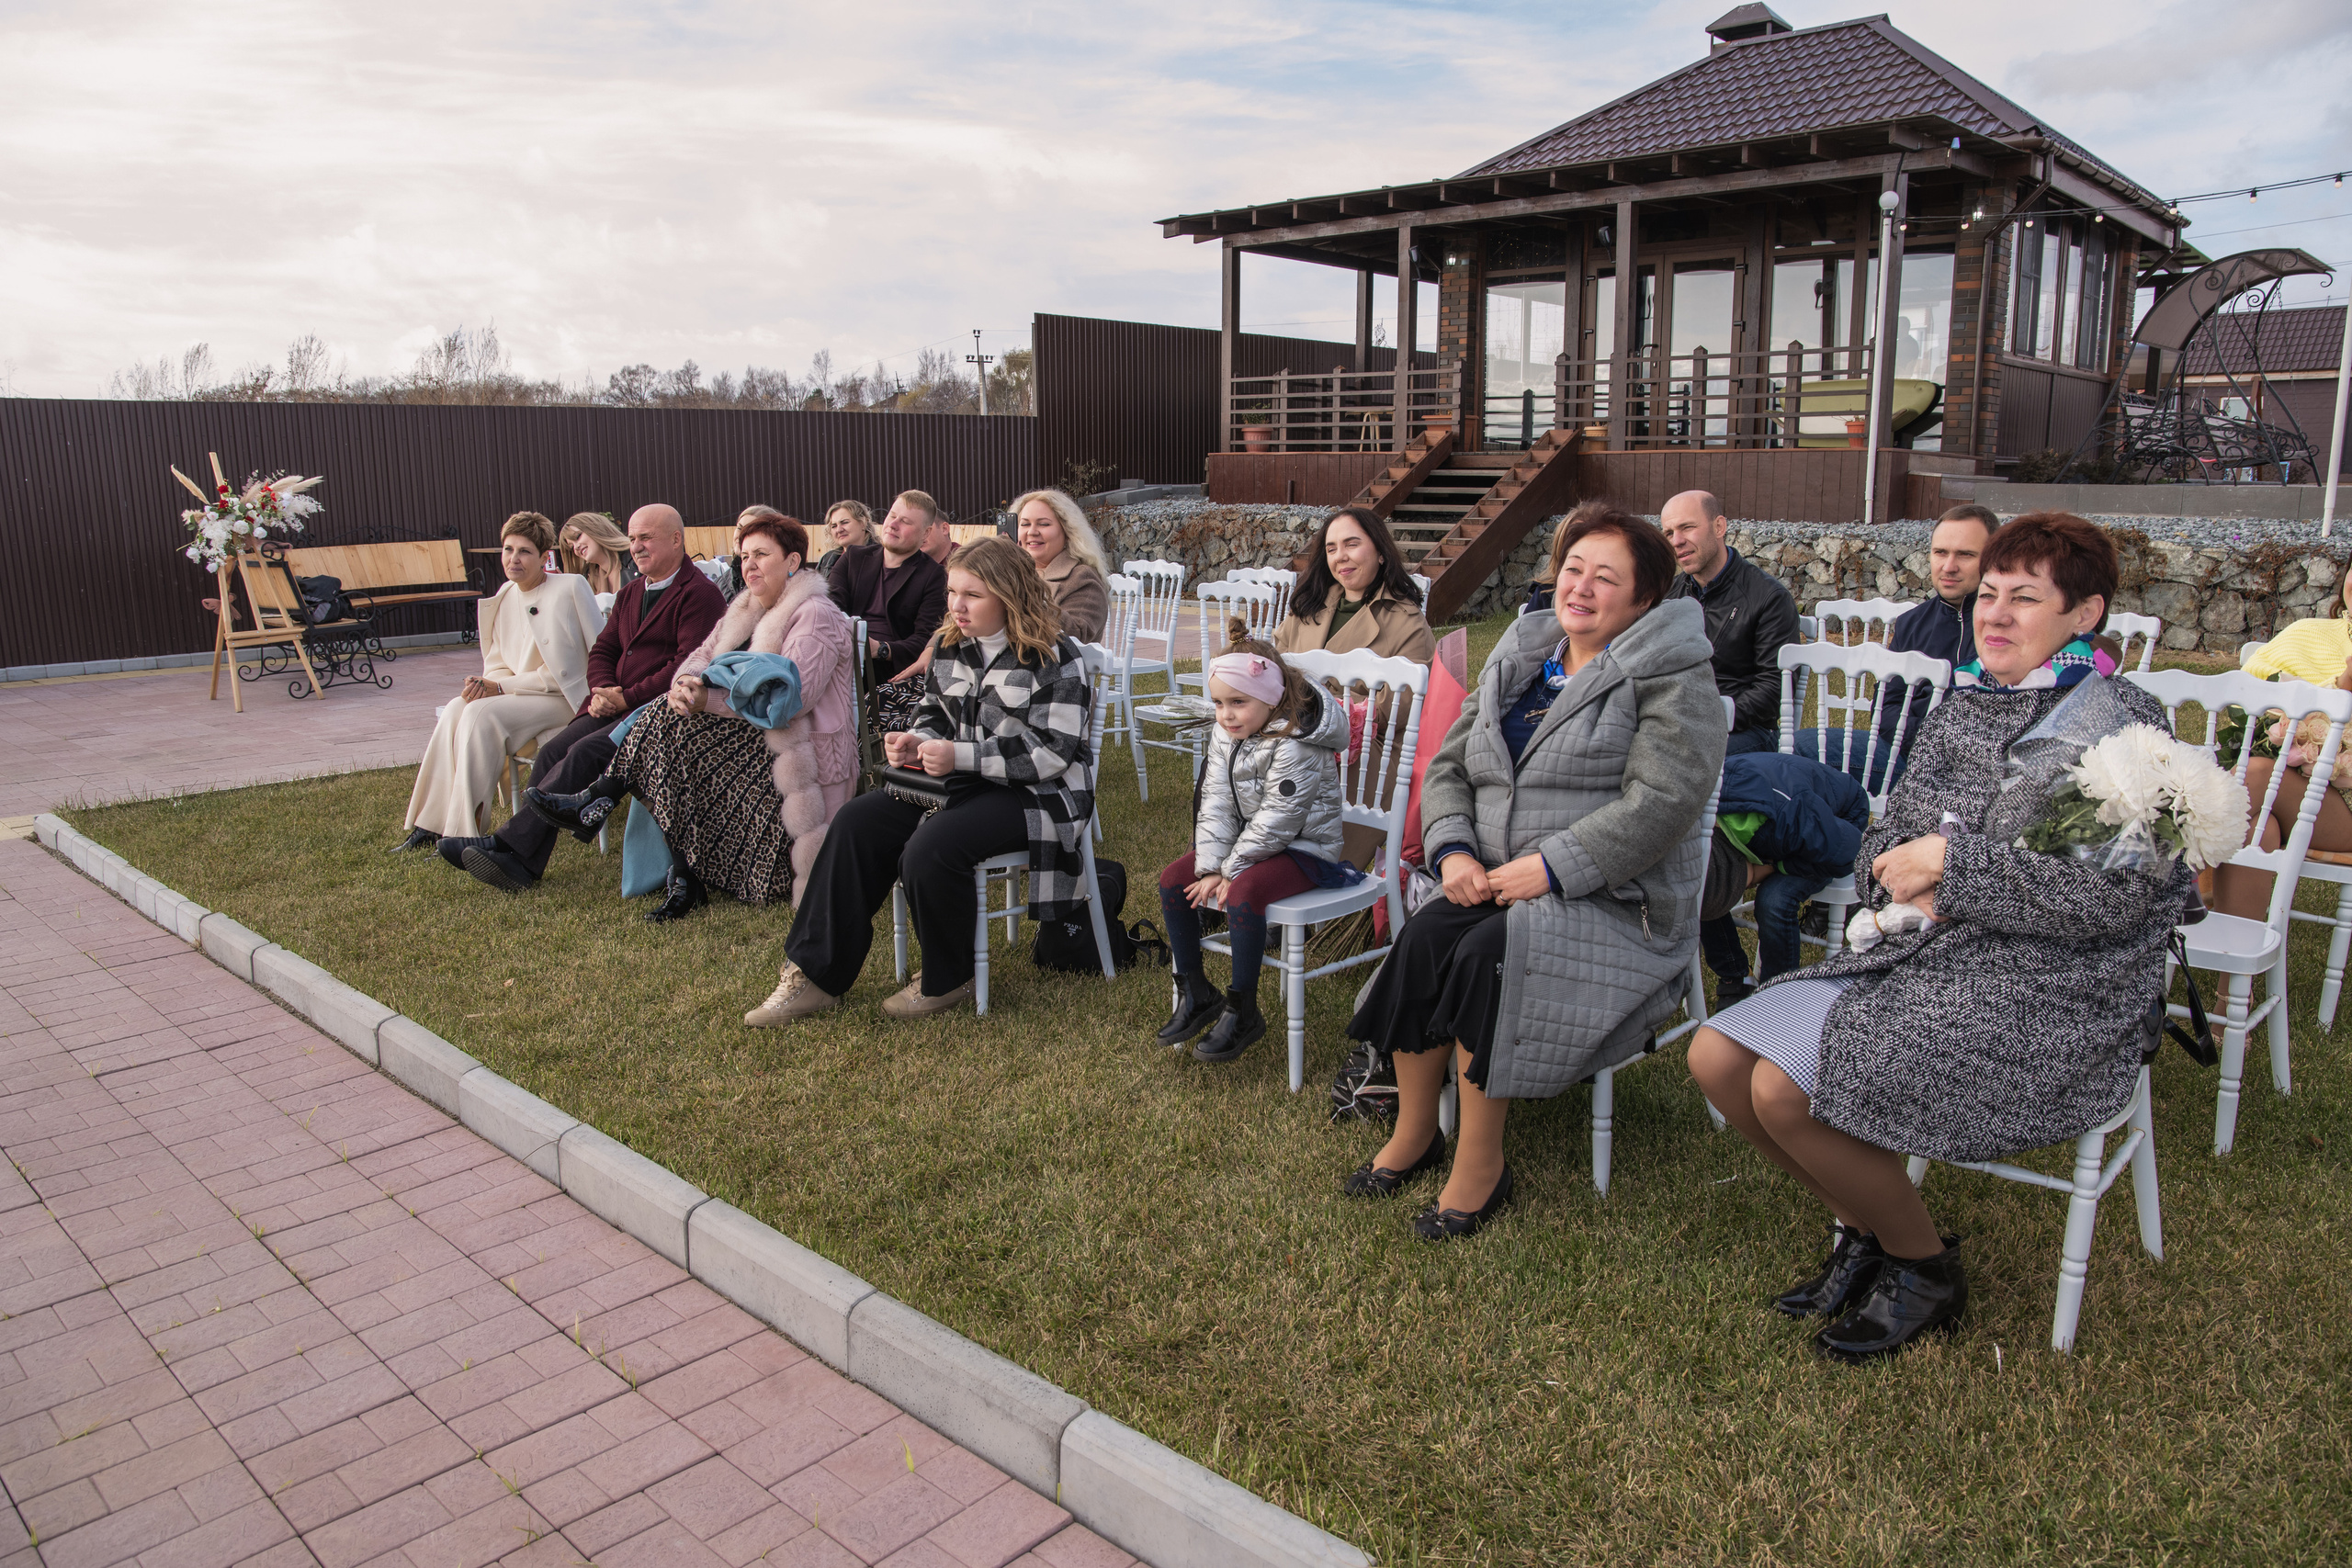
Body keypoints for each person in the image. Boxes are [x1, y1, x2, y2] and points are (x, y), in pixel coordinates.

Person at [1687, 512, 2196, 1363]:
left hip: (2053, 984)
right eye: (1989, 594)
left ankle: (1922, 1266)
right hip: (1923, 951)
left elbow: (2113, 900)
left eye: (2024, 597)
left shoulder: (2126, 726)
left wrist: (1952, 866)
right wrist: (1910, 867)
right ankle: (1866, 1229)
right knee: (1715, 1056)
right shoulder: (1967, 702)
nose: (1994, 613)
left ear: (2085, 614)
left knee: (1781, 1087)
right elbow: (1887, 838)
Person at [1340, 505, 1724, 1239]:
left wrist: (1550, 866)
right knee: (1425, 938)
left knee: (1486, 954)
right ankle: (1417, 1131)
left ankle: (1480, 1163)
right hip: (1490, 877)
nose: (1581, 586)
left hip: (1617, 899)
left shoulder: (1673, 674)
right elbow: (1450, 765)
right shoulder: (1524, 654)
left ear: (1645, 598)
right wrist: (1453, 848)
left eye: (1605, 577)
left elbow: (1664, 803)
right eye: (1573, 568)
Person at [746, 536, 1094, 1025]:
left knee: (932, 847)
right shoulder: (951, 645)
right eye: (953, 591)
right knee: (855, 822)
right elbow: (933, 712)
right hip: (956, 780)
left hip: (1037, 795)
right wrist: (917, 741)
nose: (957, 605)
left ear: (1009, 594)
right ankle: (814, 974)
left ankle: (948, 978)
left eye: (972, 595)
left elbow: (1052, 753)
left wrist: (959, 756)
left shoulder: (1054, 655)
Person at [525, 515, 856, 920]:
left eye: (761, 555)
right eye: (744, 556)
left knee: (668, 729)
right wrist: (685, 683)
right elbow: (701, 653)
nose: (749, 565)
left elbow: (791, 701)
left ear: (792, 562)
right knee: (669, 728)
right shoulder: (747, 606)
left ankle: (613, 808)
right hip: (753, 745)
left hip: (801, 763)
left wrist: (706, 700)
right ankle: (676, 869)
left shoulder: (815, 613)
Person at [451, 503, 727, 891]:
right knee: (551, 753)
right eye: (632, 538)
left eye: (646, 538)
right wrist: (601, 690)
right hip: (612, 705)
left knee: (582, 754)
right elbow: (602, 650)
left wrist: (626, 697)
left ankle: (508, 848)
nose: (636, 547)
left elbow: (685, 667)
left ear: (676, 539)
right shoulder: (631, 592)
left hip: (656, 713)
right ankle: (522, 860)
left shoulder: (699, 594)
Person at [1157, 620, 1355, 1064]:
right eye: (1218, 703)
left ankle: (1243, 1008)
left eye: (1238, 702)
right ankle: (1195, 991)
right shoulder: (1227, 733)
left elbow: (1280, 820)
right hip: (1254, 846)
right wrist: (1211, 866)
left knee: (1244, 893)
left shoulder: (1298, 740)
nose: (1226, 715)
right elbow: (1216, 801)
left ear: (1271, 698)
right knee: (1173, 881)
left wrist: (1231, 870)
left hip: (1305, 849)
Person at [393, 513, 604, 851]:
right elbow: (497, 664)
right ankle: (429, 825)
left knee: (482, 715)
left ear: (544, 557)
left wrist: (501, 688)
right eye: (508, 550)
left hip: (566, 699)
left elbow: (599, 650)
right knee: (456, 708)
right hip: (520, 696)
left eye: (524, 551)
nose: (514, 559)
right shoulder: (506, 594)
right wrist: (483, 685)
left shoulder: (570, 587)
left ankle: (463, 832)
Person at [1795, 503, 1998, 789]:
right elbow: (1885, 706)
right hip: (1907, 753)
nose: (1949, 566)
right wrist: (1925, 737)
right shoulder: (1913, 622)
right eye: (1940, 552)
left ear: (1993, 558)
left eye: (1965, 554)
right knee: (1803, 745)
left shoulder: (2005, 624)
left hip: (1976, 766)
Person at [2213, 557, 2352, 919]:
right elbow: (2248, 692)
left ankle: (2165, 879)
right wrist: (2326, 693)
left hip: (2343, 814)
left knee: (2256, 774)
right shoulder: (2309, 633)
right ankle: (2234, 953)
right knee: (2257, 828)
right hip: (2287, 792)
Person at [1699, 752, 1872, 1006]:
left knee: (1773, 900)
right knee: (1701, 887)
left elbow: (1851, 850)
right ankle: (1735, 976)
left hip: (1839, 820)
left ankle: (1778, 998)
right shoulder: (1697, 814)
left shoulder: (1790, 818)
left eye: (1748, 882)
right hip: (1775, 817)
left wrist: (1778, 866)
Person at [1660, 490, 1798, 755]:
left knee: (1674, 760)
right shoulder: (1667, 594)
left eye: (1687, 527)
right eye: (1669, 533)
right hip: (1675, 723)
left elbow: (1775, 689)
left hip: (1746, 730)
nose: (1677, 541)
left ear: (1719, 527)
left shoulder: (1768, 597)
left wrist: (1712, 717)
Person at [829, 489, 950, 735]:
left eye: (905, 521)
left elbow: (925, 638)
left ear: (926, 533)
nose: (893, 525)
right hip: (841, 654)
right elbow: (829, 606)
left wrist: (880, 649)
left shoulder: (933, 575)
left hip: (887, 672)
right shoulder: (853, 558)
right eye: (892, 516)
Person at [1272, 506, 1437, 664]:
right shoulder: (1307, 606)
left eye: (1351, 545)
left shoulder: (1408, 624)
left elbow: (1410, 682)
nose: (1339, 557)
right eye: (1331, 549)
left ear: (1381, 552)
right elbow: (1276, 669)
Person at [1011, 488, 1110, 643]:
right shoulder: (1011, 573)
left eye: (1043, 524)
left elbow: (1077, 637)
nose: (1032, 532)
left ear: (1068, 532)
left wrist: (1027, 590)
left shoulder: (1082, 578)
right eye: (1025, 524)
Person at [560, 512, 638, 599]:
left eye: (578, 537)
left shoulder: (636, 559)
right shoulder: (588, 580)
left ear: (595, 528)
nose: (576, 547)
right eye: (571, 547)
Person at [815, 500, 874, 578]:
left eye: (845, 522)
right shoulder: (826, 560)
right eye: (834, 526)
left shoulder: (882, 557)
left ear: (863, 523)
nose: (839, 530)